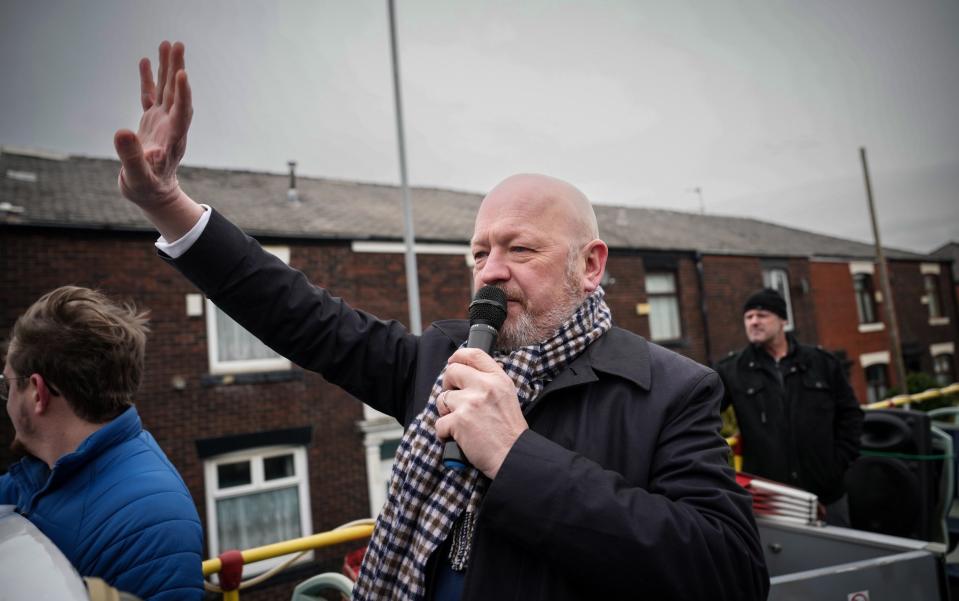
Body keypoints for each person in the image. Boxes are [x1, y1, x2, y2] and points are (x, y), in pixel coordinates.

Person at [113, 40, 769, 600]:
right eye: (480, 251)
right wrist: (170, 205)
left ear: (590, 264)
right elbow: (301, 315)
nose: (489, 270)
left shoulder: (671, 390)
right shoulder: (441, 359)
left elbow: (729, 570)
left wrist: (515, 456)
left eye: (519, 249)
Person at [0, 286, 204, 601]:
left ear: (37, 393)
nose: (6, 399)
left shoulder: (149, 519)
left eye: (7, 384)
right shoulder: (41, 471)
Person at [717, 288, 864, 526]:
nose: (754, 322)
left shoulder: (822, 363)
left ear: (783, 320)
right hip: (770, 500)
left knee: (839, 556)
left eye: (762, 315)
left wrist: (836, 465)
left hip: (827, 494)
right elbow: (702, 415)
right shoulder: (732, 370)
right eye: (748, 317)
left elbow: (851, 416)